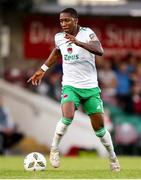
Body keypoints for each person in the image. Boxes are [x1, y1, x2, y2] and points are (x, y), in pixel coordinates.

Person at [28, 8, 120, 172]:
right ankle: (54, 149)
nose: (63, 24)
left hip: (91, 87)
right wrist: (42, 69)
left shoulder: (87, 33)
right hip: (70, 86)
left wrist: (78, 43)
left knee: (99, 129)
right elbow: (57, 53)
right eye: (61, 21)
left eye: (67, 20)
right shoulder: (59, 37)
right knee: (68, 116)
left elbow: (100, 50)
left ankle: (113, 158)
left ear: (76, 20)